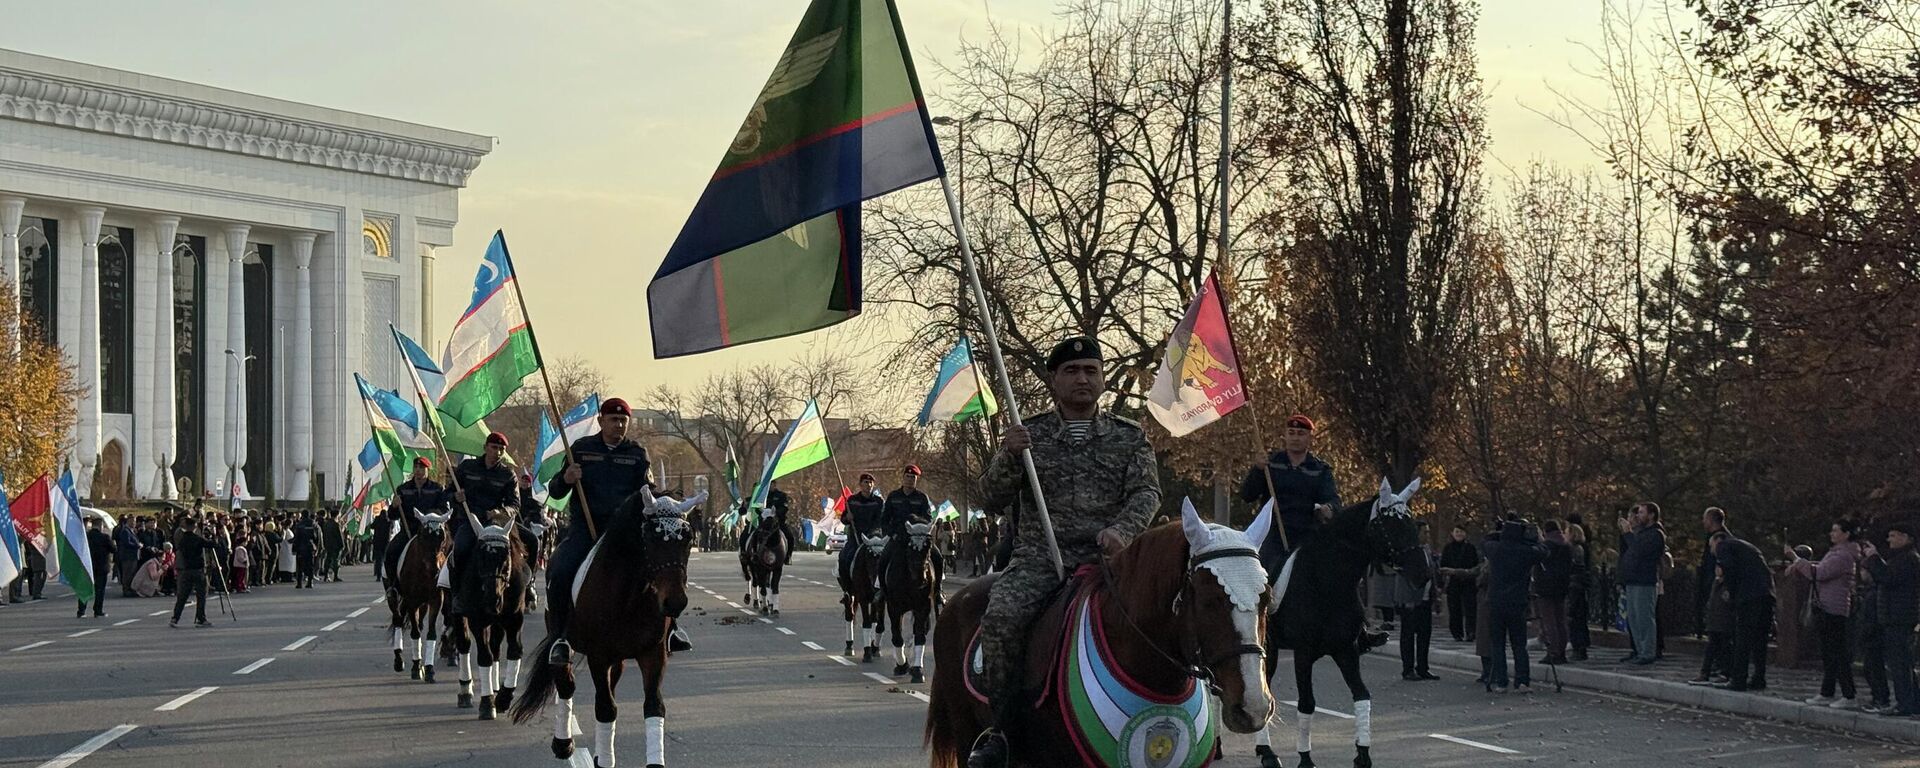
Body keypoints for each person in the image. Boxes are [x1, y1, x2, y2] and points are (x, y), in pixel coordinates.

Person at [965, 337, 1159, 768]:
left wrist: (1123, 530)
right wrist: (1009, 456)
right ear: (1054, 379)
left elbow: (1147, 492)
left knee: (1172, 615)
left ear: (1103, 378)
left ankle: (1185, 717)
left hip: (1108, 561)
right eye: (1072, 371)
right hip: (1040, 560)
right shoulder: (1027, 434)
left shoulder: (1129, 438)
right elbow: (990, 499)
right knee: (1001, 618)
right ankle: (1003, 728)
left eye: (1091, 370)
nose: (1082, 379)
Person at [543, 397, 674, 664]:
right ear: (601, 421)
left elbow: (648, 492)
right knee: (560, 570)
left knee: (665, 567)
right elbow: (556, 490)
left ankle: (671, 630)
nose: (619, 425)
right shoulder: (580, 449)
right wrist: (566, 478)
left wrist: (665, 501)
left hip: (626, 533)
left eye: (623, 420)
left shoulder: (637, 454)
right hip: (586, 529)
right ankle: (561, 637)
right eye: (613, 420)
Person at [1786, 518, 1869, 708]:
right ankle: (1827, 691)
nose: (1832, 534)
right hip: (1826, 605)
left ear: (1846, 534)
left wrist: (1796, 559)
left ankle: (1849, 694)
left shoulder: (1843, 556)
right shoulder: (1837, 553)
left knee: (1836, 652)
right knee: (1828, 652)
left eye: (1835, 531)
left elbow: (1820, 573)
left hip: (1833, 608)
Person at [1239, 414, 1338, 572]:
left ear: (1310, 438)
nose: (1295, 438)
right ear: (1285, 436)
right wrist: (1257, 470)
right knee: (1260, 575)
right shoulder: (1270, 463)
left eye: (1300, 434)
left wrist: (1328, 509)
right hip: (1273, 533)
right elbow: (1247, 495)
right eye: (1291, 433)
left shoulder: (1319, 470)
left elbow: (1333, 500)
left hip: (1306, 535)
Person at [1861, 521, 1918, 717]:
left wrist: (1874, 558)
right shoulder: (1902, 558)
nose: (1889, 539)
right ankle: (1912, 701)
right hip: (1895, 616)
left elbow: (1887, 578)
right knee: (1902, 662)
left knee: (1900, 664)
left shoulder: (1908, 559)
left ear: (1906, 538)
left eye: (1893, 535)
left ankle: (1905, 703)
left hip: (1899, 617)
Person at [1483, 518, 1547, 693]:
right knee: (1519, 643)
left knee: (1497, 643)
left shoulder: (1495, 550)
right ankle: (1522, 680)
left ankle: (1501, 681)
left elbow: (1486, 540)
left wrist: (1498, 531)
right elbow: (1543, 551)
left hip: (1495, 601)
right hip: (1517, 602)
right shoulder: (1525, 552)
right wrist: (1536, 538)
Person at [1715, 533, 1775, 692]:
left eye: (1710, 546)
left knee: (1743, 638)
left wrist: (1731, 593)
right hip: (1766, 593)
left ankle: (1738, 679)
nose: (1712, 551)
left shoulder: (1723, 545)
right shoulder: (1747, 546)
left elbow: (1729, 568)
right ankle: (1759, 678)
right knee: (1760, 639)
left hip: (1749, 596)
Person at [1617, 502, 1667, 665]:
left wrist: (1628, 534)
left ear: (1652, 515)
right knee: (1634, 618)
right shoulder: (1642, 532)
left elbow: (1639, 550)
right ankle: (1639, 650)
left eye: (1642, 512)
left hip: (1644, 581)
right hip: (1633, 580)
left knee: (1645, 618)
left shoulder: (1655, 534)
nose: (1638, 515)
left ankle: (1648, 652)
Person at [386, 457, 448, 587]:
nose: (418, 471)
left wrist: (432, 514)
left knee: (449, 554)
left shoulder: (437, 489)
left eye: (422, 468)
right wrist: (394, 506)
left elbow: (444, 510)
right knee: (391, 551)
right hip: (409, 531)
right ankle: (393, 587)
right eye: (416, 468)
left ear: (427, 470)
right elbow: (392, 516)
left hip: (431, 532)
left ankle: (447, 589)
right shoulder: (403, 489)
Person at [1394, 522, 1439, 681]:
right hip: (1411, 600)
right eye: (1424, 532)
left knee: (1424, 634)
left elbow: (1431, 572)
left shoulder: (1426, 550)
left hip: (1425, 599)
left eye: (1428, 532)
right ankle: (1408, 669)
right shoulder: (1408, 551)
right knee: (1408, 635)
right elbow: (1405, 576)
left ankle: (1423, 667)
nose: (1427, 535)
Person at [880, 465, 939, 583]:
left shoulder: (922, 498)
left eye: (913, 477)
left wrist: (919, 527)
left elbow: (927, 518)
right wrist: (893, 534)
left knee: (938, 558)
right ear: (903, 478)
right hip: (899, 538)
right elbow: (885, 520)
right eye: (908, 476)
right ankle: (882, 591)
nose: (910, 480)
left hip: (918, 539)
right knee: (883, 558)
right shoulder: (893, 496)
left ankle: (938, 592)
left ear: (916, 480)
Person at [1532, 520, 1574, 666]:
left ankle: (1553, 652)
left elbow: (1537, 558)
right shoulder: (1566, 546)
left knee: (1549, 620)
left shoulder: (1547, 546)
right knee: (1561, 619)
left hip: (1546, 587)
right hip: (1562, 586)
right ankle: (1561, 651)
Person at [171, 518, 218, 627]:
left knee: (183, 595)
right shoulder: (197, 539)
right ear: (193, 527)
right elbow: (213, 545)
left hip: (186, 569)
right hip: (198, 570)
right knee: (201, 594)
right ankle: (201, 618)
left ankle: (175, 618)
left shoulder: (182, 539)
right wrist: (213, 535)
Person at [839, 473, 885, 582]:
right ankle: (847, 589)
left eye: (871, 483)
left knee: (884, 560)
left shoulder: (878, 501)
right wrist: (847, 518)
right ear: (860, 484)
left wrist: (871, 536)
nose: (868, 485)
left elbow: (880, 521)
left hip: (873, 540)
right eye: (866, 482)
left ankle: (882, 590)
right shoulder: (852, 500)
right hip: (855, 538)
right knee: (844, 558)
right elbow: (843, 519)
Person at [1439, 525, 1479, 642]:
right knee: (1454, 608)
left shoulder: (1470, 548)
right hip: (1453, 582)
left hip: (1468, 581)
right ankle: (1457, 633)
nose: (1459, 534)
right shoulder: (1448, 548)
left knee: (1470, 608)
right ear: (1452, 533)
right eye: (1457, 532)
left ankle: (1471, 631)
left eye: (1461, 532)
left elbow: (1475, 564)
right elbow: (1443, 564)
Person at [1566, 522, 1593, 661]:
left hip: (1575, 586)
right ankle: (1579, 646)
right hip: (1578, 585)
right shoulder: (1581, 549)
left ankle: (1579, 647)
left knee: (1575, 618)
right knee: (1577, 619)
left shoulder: (1574, 549)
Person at [82, 517, 113, 618]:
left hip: (88, 566)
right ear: (100, 525)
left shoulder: (86, 536)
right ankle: (98, 610)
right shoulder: (105, 537)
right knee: (100, 590)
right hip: (101, 566)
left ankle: (81, 610)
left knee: (85, 588)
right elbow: (113, 549)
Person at [291, 511, 320, 589]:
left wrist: (294, 548)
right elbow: (317, 537)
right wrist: (317, 547)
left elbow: (296, 537)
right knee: (310, 565)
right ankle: (310, 582)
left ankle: (299, 583)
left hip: (301, 547)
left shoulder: (299, 525)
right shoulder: (313, 524)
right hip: (310, 547)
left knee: (299, 566)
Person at [114, 516, 141, 597]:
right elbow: (127, 543)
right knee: (127, 574)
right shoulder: (125, 531)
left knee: (132, 573)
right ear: (128, 521)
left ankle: (130, 588)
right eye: (132, 521)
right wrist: (137, 545)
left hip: (133, 556)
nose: (134, 523)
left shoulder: (131, 530)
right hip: (128, 556)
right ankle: (126, 590)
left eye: (135, 521)